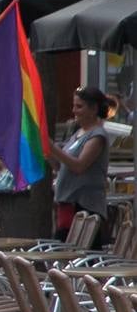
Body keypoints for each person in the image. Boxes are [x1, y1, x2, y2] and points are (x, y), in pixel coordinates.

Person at [48, 86, 112, 242]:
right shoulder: (77, 133)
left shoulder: (97, 136)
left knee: (80, 256)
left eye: (79, 106)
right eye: (74, 106)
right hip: (67, 205)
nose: (74, 110)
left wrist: (53, 148)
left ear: (94, 109)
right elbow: (61, 166)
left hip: (84, 207)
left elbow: (79, 166)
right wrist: (47, 152)